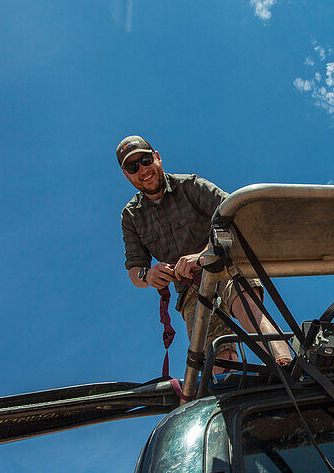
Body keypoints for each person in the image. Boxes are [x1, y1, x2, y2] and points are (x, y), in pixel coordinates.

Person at [116, 135, 291, 372]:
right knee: (214, 353)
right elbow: (135, 270)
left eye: (146, 160)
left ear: (157, 157)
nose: (143, 170)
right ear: (126, 175)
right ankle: (230, 391)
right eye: (132, 167)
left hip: (224, 265)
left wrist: (204, 256)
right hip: (190, 290)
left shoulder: (189, 186)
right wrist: (147, 276)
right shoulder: (131, 217)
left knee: (246, 303)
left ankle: (285, 365)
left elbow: (237, 215)